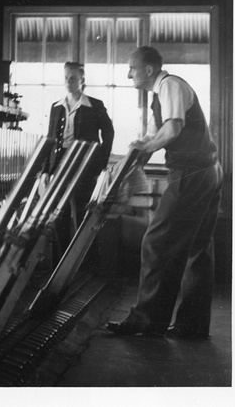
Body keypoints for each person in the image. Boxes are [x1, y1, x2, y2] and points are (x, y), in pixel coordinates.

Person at [107, 46, 222, 339]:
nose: (129, 73)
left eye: (132, 68)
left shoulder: (170, 85)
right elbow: (154, 135)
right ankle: (191, 326)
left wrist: (143, 149)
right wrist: (134, 154)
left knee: (156, 242)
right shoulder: (159, 95)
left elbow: (171, 132)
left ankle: (147, 322)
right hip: (206, 171)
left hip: (191, 174)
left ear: (148, 70)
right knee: (197, 248)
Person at [45, 62, 114, 250]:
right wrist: (45, 170)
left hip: (84, 166)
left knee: (83, 212)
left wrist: (100, 164)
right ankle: (61, 262)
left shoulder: (95, 105)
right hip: (59, 165)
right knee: (59, 213)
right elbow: (50, 140)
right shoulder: (56, 106)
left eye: (73, 77)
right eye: (66, 77)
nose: (69, 81)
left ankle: (84, 263)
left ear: (82, 80)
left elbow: (108, 133)